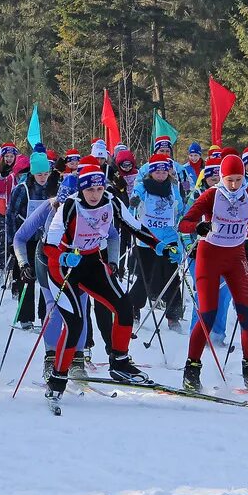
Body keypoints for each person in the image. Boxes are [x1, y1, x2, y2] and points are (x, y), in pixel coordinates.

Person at [39, 162, 161, 404]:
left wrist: (160, 245)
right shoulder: (70, 206)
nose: (95, 194)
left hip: (92, 260)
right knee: (74, 324)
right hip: (62, 266)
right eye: (89, 190)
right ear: (82, 190)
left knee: (124, 307)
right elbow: (48, 245)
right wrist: (62, 256)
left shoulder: (111, 201)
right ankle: (58, 377)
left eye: (98, 189)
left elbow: (135, 227)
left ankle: (119, 362)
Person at [178, 154, 248, 392]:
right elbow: (184, 223)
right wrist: (198, 226)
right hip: (209, 257)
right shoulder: (212, 195)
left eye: (238, 179)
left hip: (236, 257)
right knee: (208, 315)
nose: (234, 185)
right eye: (230, 179)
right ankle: (192, 368)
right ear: (222, 177)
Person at [130, 154, 185, 331]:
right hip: (147, 240)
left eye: (164, 171)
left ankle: (173, 315)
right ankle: (132, 309)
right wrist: (134, 202)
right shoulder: (143, 187)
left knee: (172, 276)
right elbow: (133, 202)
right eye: (157, 171)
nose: (161, 174)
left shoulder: (173, 188)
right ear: (151, 172)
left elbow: (181, 208)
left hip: (169, 238)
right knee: (144, 277)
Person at [6, 151, 57, 330]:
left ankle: (46, 314)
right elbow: (11, 215)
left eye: (45, 173)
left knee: (47, 277)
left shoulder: (54, 188)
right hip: (26, 238)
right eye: (39, 174)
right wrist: (11, 241)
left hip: (47, 239)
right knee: (26, 276)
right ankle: (25, 316)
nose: (43, 178)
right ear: (32, 173)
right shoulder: (22, 189)